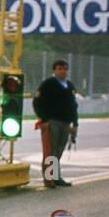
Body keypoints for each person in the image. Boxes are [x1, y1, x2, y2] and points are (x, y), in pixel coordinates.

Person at [33, 59, 79, 187]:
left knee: (58, 151)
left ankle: (56, 177)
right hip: (52, 122)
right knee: (50, 152)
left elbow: (74, 106)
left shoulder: (69, 86)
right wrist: (44, 120)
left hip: (65, 123)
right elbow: (37, 102)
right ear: (54, 70)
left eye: (65, 69)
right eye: (60, 69)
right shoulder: (48, 84)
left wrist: (75, 124)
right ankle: (48, 178)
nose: (63, 71)